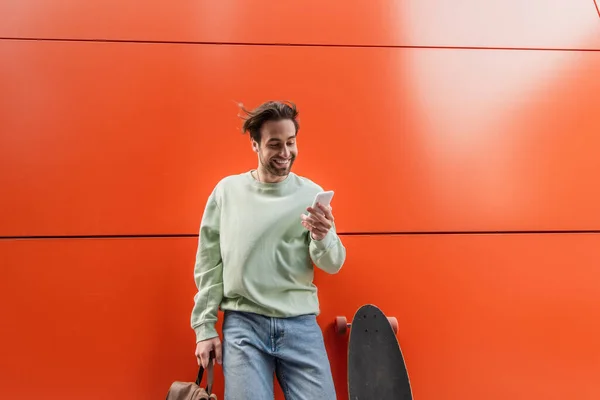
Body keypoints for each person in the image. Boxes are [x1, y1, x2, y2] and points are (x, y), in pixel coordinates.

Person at [190, 100, 346, 399]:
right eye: (274, 144)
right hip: (243, 326)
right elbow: (209, 264)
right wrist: (204, 328)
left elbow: (333, 263)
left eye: (290, 142)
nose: (285, 153)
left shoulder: (311, 193)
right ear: (255, 144)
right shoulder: (227, 192)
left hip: (300, 325)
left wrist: (322, 236)